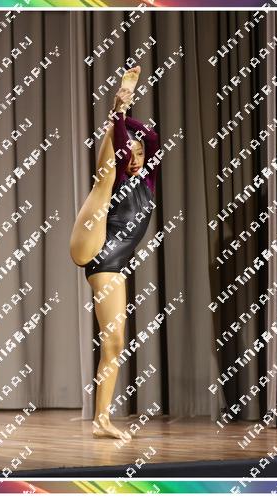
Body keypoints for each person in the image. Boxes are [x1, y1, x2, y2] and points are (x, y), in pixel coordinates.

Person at [69, 66, 160, 439]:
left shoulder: (148, 181)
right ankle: (101, 420)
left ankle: (101, 420)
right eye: (131, 153)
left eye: (140, 153)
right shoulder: (120, 175)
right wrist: (119, 113)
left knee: (115, 342)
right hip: (100, 253)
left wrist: (132, 122)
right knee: (106, 174)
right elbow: (120, 153)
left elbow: (152, 138)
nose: (135, 158)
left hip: (117, 265)